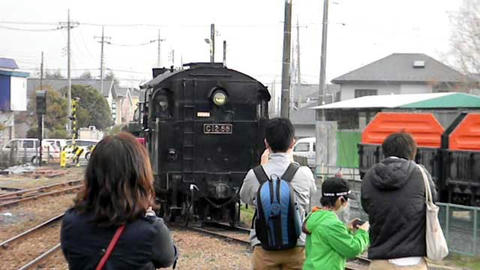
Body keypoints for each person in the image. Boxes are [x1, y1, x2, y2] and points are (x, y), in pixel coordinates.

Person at [61, 132, 177, 270]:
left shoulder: (71, 222)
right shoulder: (151, 231)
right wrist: (151, 217)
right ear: (140, 175)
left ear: (92, 174)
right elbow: (168, 257)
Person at [239, 117, 317, 270]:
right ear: (292, 143)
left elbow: (244, 198)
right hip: (297, 246)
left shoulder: (255, 174)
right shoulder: (304, 173)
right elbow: (311, 196)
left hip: (264, 248)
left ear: (266, 143)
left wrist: (262, 169)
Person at [361, 132, 437, 270]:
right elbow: (433, 201)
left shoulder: (370, 176)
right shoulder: (420, 174)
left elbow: (366, 206)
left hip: (380, 260)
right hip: (413, 260)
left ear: (385, 151)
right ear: (412, 152)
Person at [303, 177, 370, 270]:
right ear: (340, 199)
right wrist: (363, 232)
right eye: (346, 199)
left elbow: (326, 237)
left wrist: (346, 229)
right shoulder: (332, 224)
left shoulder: (315, 216)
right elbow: (353, 249)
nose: (347, 203)